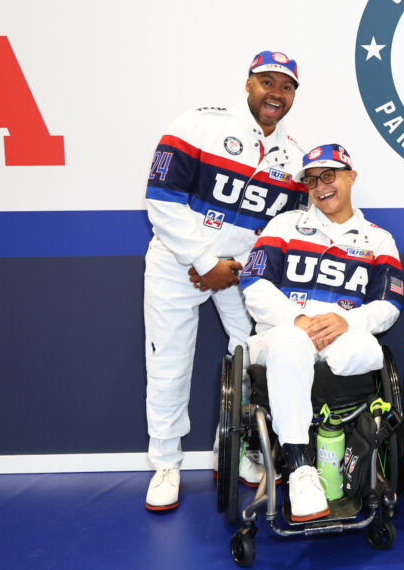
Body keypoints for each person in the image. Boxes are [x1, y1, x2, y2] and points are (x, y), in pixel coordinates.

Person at [143, 51, 305, 511]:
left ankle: (232, 451)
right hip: (178, 264)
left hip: (240, 273)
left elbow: (282, 232)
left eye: (286, 87)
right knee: (169, 362)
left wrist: (234, 267)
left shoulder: (294, 159)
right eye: (267, 82)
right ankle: (166, 464)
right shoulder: (197, 125)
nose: (276, 93)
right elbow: (162, 199)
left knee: (252, 359)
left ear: (294, 96)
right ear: (248, 84)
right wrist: (201, 258)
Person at [238, 144, 404, 521]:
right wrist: (297, 320)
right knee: (292, 343)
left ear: (351, 176)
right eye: (312, 180)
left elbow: (389, 305)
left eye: (329, 176)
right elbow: (255, 285)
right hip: (283, 337)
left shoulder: (378, 239)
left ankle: (343, 460)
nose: (320, 186)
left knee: (365, 349)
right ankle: (299, 469)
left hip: (344, 341)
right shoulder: (283, 226)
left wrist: (349, 322)